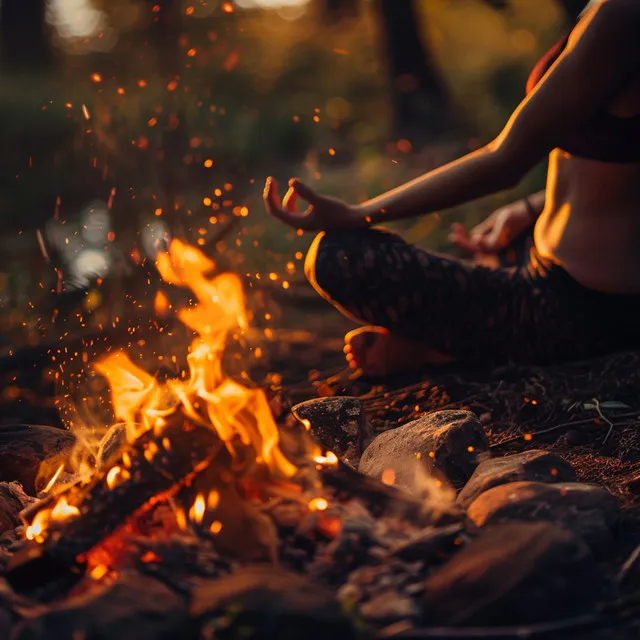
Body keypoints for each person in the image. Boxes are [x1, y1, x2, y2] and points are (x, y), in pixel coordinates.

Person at [264, 0, 640, 377]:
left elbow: (504, 161)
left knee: (339, 256)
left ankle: (444, 349)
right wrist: (531, 209)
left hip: (581, 310)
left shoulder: (623, 14)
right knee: (489, 249)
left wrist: (359, 213)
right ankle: (461, 329)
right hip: (547, 260)